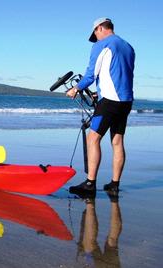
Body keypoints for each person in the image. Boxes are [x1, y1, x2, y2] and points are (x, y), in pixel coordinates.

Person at [66, 18, 135, 197]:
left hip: (110, 101)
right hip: (126, 100)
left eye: (95, 33)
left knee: (93, 138)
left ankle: (90, 184)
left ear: (100, 28)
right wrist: (99, 93)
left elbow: (90, 75)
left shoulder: (101, 45)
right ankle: (114, 184)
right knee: (117, 141)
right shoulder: (128, 47)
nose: (95, 37)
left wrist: (76, 88)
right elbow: (120, 74)